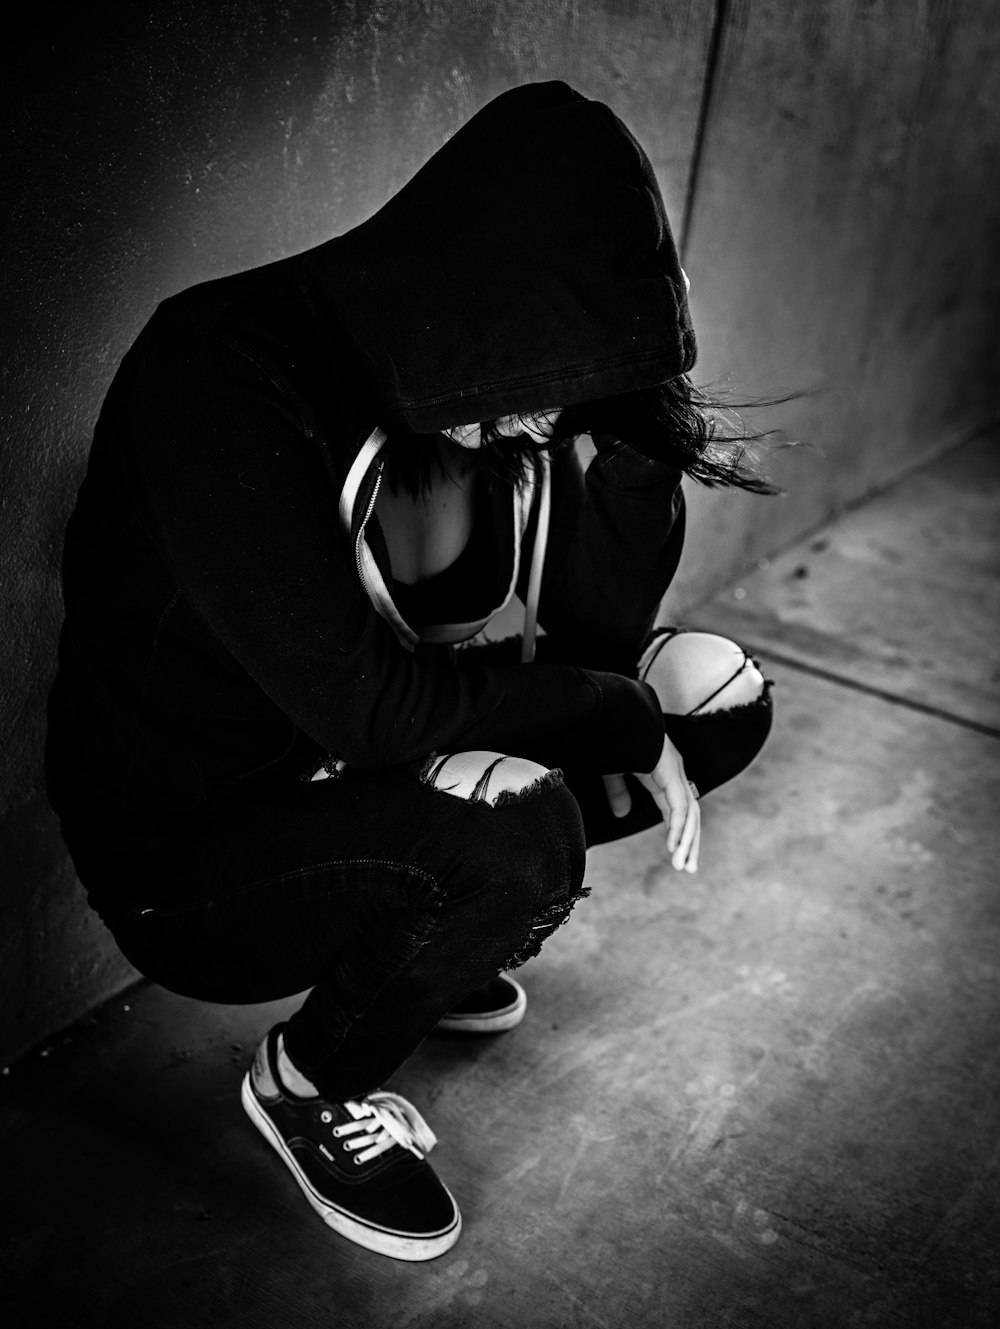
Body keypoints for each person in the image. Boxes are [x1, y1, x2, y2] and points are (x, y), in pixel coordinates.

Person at [46, 81, 775, 1262]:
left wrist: (630, 475)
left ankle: (425, 947)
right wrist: (611, 716)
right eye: (556, 376)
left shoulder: (478, 421)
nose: (545, 419)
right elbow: (376, 708)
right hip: (191, 864)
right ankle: (306, 1087)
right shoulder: (219, 375)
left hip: (352, 772)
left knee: (716, 700)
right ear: (478, 286)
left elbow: (582, 654)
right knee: (521, 828)